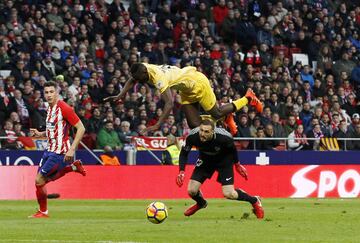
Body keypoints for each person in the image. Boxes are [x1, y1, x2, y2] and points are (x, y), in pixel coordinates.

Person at [104, 63, 263, 135]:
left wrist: (158, 125)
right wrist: (120, 95)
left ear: (144, 73)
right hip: (185, 88)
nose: (138, 81)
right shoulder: (142, 69)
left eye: (139, 78)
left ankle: (248, 98)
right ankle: (225, 116)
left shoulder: (158, 78)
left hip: (197, 83)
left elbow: (169, 103)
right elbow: (132, 79)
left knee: (216, 112)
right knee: (194, 125)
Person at [175, 119, 264, 219]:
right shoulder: (192, 136)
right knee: (191, 190)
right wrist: (181, 171)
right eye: (201, 130)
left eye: (206, 132)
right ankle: (201, 203)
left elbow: (233, 150)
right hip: (205, 160)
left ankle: (255, 200)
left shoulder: (224, 137)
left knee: (229, 194)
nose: (202, 134)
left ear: (213, 131)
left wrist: (237, 164)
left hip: (224, 161)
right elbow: (184, 153)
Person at [28, 81, 86, 218]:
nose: (49, 95)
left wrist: (72, 149)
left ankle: (43, 212)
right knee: (40, 181)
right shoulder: (49, 109)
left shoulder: (64, 108)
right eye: (46, 92)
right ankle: (73, 168)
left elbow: (81, 128)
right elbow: (52, 130)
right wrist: (40, 134)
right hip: (49, 149)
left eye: (51, 92)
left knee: (39, 180)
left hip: (60, 151)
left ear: (57, 93)